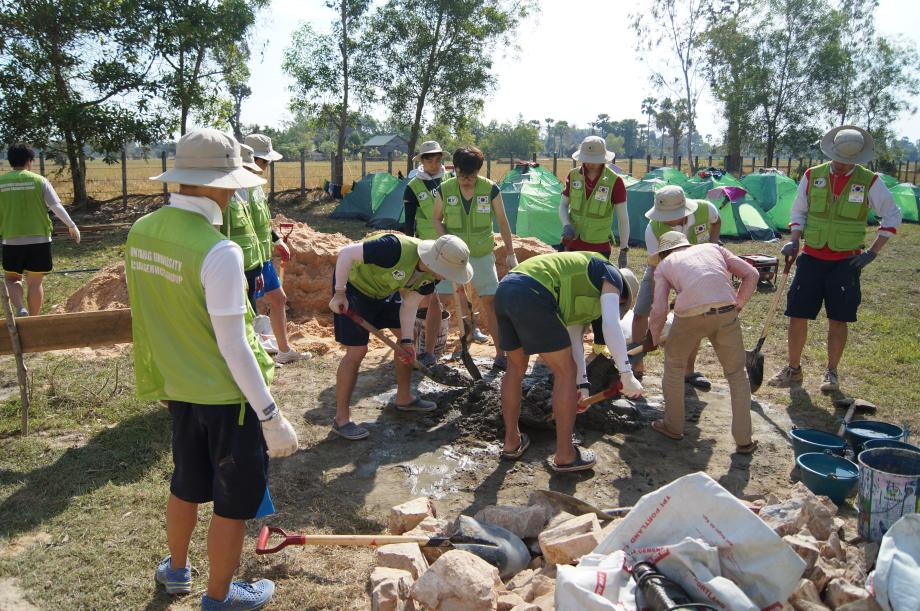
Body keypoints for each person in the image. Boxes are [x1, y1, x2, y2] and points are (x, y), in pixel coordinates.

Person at [128, 129, 298, 610]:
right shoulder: (219, 250)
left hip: (179, 386)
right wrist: (271, 416)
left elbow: (151, 313)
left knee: (185, 483)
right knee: (232, 502)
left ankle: (176, 570)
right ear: (212, 185)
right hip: (230, 400)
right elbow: (235, 346)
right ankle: (220, 598)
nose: (233, 193)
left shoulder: (141, 232)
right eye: (230, 183)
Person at [767, 125, 901, 392]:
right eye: (839, 160)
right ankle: (793, 369)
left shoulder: (870, 181)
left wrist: (872, 253)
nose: (842, 166)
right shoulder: (812, 175)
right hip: (811, 257)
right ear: (831, 153)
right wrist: (794, 240)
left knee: (838, 318)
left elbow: (892, 215)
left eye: (849, 162)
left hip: (846, 262)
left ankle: (831, 372)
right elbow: (798, 211)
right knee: (797, 314)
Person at [495, 251, 643, 472]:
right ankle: (565, 454)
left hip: (507, 289)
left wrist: (582, 385)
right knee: (564, 371)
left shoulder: (581, 286)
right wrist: (626, 374)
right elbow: (610, 325)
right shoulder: (610, 274)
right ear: (623, 296)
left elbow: (574, 338)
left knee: (515, 368)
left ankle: (511, 442)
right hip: (533, 291)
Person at [329, 233, 473, 440]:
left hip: (383, 292)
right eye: (445, 271)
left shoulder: (429, 280)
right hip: (353, 288)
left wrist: (406, 341)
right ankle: (341, 419)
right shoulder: (394, 248)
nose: (444, 277)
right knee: (358, 351)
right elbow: (346, 254)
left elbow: (409, 305)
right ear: (433, 260)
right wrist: (339, 292)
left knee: (409, 335)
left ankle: (404, 397)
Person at [646, 232, 759, 454]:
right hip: (726, 312)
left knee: (674, 367)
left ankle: (673, 426)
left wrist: (653, 337)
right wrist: (739, 304)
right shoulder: (713, 248)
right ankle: (744, 440)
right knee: (737, 374)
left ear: (664, 253)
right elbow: (752, 273)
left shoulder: (664, 265)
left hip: (690, 317)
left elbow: (659, 310)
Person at [433, 146, 516, 369]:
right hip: (453, 256)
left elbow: (503, 221)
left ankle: (501, 354)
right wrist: (446, 242)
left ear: (479, 171)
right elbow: (436, 220)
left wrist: (510, 253)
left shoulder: (490, 189)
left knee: (492, 301)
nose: (466, 181)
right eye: (462, 175)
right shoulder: (445, 189)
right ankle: (463, 343)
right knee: (454, 299)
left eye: (471, 176)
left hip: (481, 254)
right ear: (455, 169)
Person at [631, 185, 721, 389]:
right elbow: (657, 269)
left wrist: (713, 245)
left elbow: (716, 222)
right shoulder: (653, 228)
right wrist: (658, 307)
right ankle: (636, 366)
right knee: (641, 312)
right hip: (663, 267)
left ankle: (688, 371)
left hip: (697, 271)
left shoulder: (705, 210)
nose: (664, 218)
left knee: (693, 316)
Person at [559, 136, 631, 358]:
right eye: (586, 159)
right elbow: (562, 206)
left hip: (598, 247)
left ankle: (600, 342)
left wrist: (625, 247)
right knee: (567, 293)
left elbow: (623, 217)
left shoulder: (614, 182)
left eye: (594, 160)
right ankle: (565, 341)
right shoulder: (573, 176)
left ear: (603, 160)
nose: (589, 164)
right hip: (571, 245)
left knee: (599, 296)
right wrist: (566, 224)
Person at [243, 133, 312, 364]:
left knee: (278, 299)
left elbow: (261, 221)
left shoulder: (256, 186)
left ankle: (284, 351)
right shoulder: (237, 187)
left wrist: (275, 240)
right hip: (246, 260)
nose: (267, 166)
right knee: (248, 312)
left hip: (262, 255)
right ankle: (255, 361)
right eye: (265, 161)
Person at [0, 143, 80, 316]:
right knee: (35, 283)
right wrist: (71, 225)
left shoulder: (1, 182)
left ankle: (21, 308)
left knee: (12, 279)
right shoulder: (40, 181)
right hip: (40, 240)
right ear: (30, 161)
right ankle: (34, 319)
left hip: (11, 239)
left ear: (10, 161)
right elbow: (56, 206)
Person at [403, 140, 447, 367]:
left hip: (451, 244)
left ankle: (470, 332)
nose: (434, 162)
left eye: (438, 158)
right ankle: (426, 350)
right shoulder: (413, 186)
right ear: (421, 161)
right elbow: (409, 223)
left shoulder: (450, 180)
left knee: (455, 292)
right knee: (428, 297)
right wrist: (412, 252)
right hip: (427, 248)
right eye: (429, 158)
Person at [219, 144, 263, 314]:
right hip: (234, 270)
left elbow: (251, 231)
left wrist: (257, 270)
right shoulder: (221, 196)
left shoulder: (240, 193)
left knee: (251, 313)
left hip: (249, 266)